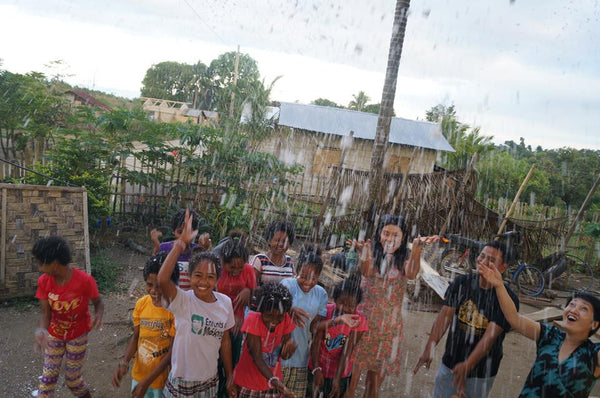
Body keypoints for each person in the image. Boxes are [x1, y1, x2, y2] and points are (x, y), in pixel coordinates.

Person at [347, 214, 439, 398]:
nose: (389, 239)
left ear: (403, 237)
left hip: (388, 329)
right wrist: (364, 252)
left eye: (395, 235)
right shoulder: (371, 250)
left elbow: (412, 273)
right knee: (351, 381)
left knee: (373, 386)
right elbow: (367, 270)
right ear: (379, 234)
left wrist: (417, 249)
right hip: (363, 324)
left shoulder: (405, 257)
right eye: (385, 233)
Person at [413, 240, 519, 398]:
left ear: (503, 267)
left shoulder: (508, 299)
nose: (483, 262)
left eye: (491, 260)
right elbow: (445, 317)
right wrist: (430, 347)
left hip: (482, 371)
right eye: (482, 256)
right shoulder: (461, 283)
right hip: (451, 361)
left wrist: (468, 366)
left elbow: (490, 337)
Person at [479, 260, 600, 397]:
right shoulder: (550, 336)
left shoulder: (593, 354)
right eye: (572, 304)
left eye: (583, 308)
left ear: (594, 324)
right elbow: (514, 319)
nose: (574, 310)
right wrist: (499, 286)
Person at [157, 210, 236, 398]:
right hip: (181, 380)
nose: (203, 282)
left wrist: (230, 374)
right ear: (190, 276)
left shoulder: (225, 303)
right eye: (198, 275)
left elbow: (224, 341)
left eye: (210, 277)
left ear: (217, 279)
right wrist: (180, 244)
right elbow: (162, 280)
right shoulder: (183, 301)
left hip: (209, 381)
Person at [33, 236, 104, 398]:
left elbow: (99, 302)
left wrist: (98, 314)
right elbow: (46, 312)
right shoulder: (44, 281)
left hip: (78, 335)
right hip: (55, 334)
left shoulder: (85, 281)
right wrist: (41, 331)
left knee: (73, 380)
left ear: (55, 263)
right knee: (47, 381)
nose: (40, 268)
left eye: (41, 263)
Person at [112, 252, 178, 398]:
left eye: (159, 286)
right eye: (149, 285)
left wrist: (147, 381)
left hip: (162, 380)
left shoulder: (174, 311)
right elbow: (136, 337)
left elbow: (171, 353)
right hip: (139, 375)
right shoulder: (141, 304)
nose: (153, 291)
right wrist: (125, 362)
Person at [280, 243, 329, 397]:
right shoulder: (287, 285)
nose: (308, 281)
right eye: (303, 276)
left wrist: (337, 322)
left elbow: (314, 329)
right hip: (278, 354)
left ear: (319, 276)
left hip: (300, 358)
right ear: (296, 270)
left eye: (313, 278)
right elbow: (276, 311)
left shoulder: (321, 294)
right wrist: (289, 308)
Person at [233, 282, 297, 398]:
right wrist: (281, 386)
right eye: (269, 315)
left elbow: (283, 355)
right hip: (250, 383)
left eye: (279, 316)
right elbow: (257, 358)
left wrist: (289, 351)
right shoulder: (253, 321)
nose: (274, 320)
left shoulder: (286, 319)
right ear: (260, 311)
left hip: (272, 384)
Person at [309, 274, 367, 398]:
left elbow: (348, 350)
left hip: (340, 372)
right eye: (341, 303)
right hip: (317, 365)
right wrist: (316, 369)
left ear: (357, 305)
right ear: (335, 300)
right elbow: (316, 340)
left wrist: (337, 378)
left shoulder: (358, 320)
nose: (345, 308)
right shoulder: (326, 311)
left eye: (351, 305)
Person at [216, 230, 257, 397]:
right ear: (223, 262)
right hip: (217, 321)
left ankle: (230, 390)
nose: (236, 271)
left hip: (238, 323)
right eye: (231, 267)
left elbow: (255, 299)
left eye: (240, 267)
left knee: (233, 361)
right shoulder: (217, 269)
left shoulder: (248, 270)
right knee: (215, 361)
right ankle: (217, 390)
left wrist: (248, 291)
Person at [151, 209, 200, 290]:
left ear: (194, 233)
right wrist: (156, 245)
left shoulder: (196, 250)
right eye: (180, 232)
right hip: (168, 295)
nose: (183, 236)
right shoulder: (164, 248)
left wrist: (204, 248)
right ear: (173, 231)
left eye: (188, 232)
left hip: (188, 298)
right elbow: (154, 264)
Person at [252, 220, 296, 285]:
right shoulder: (260, 260)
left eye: (284, 241)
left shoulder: (290, 262)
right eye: (277, 240)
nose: (281, 244)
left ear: (289, 244)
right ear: (269, 241)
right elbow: (251, 285)